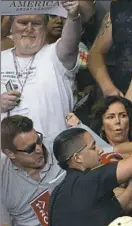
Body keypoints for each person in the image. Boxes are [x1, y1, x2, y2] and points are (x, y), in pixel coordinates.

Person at [0, 1, 82, 143]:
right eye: (23, 22)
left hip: (53, 151)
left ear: (45, 28)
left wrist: (73, 16)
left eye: (36, 23)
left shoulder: (55, 55)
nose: (29, 29)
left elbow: (70, 44)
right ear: (12, 27)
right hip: (7, 155)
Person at [1, 115, 65, 226]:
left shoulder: (60, 148)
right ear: (10, 153)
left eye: (39, 140)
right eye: (30, 149)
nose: (39, 149)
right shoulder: (2, 176)